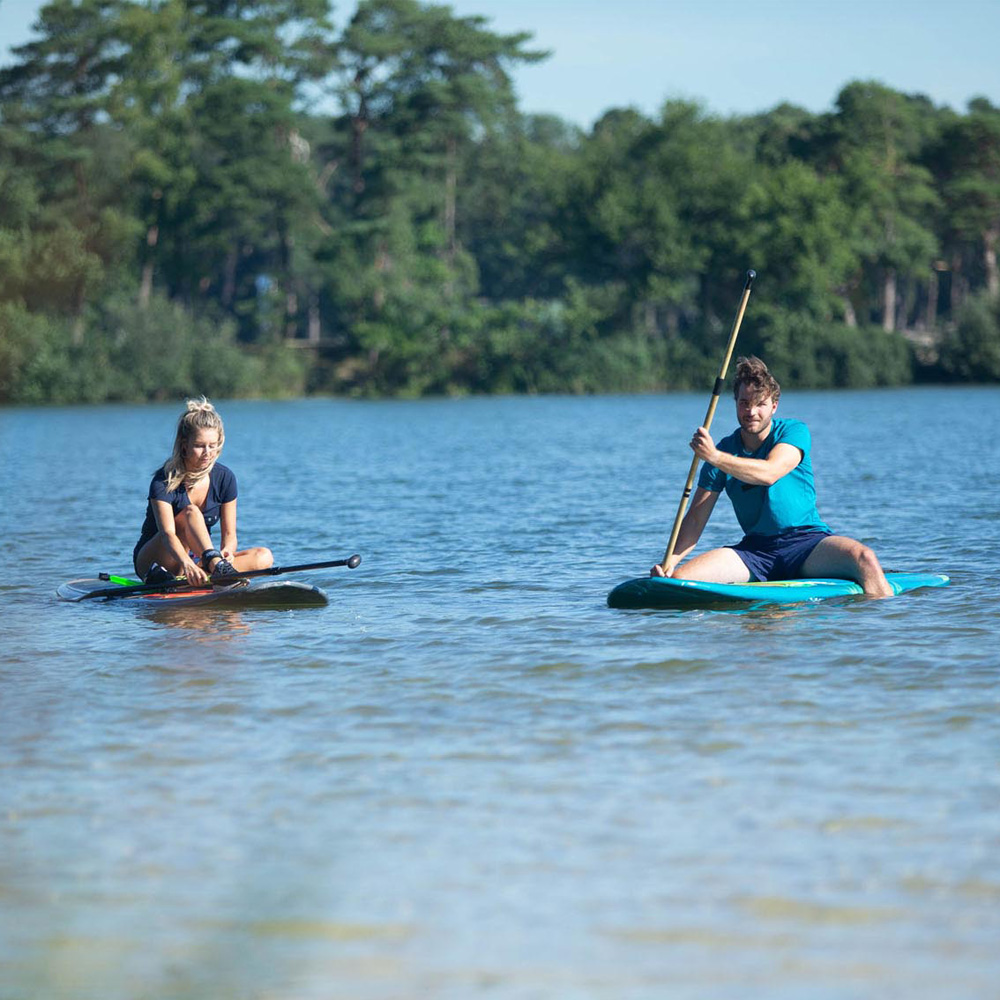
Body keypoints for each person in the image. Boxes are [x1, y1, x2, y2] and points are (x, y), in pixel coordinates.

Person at [651, 356, 893, 597]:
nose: (751, 411)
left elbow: (769, 473)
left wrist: (714, 457)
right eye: (744, 403)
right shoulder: (723, 450)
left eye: (760, 404)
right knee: (679, 580)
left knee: (865, 558)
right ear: (735, 403)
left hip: (807, 544)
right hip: (755, 552)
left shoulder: (793, 431)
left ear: (774, 406)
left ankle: (885, 626)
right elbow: (695, 520)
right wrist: (669, 563)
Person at [133, 397, 273, 586]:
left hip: (199, 559)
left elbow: (230, 535)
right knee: (190, 512)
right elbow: (167, 535)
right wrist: (187, 563)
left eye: (212, 445)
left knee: (264, 557)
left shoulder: (225, 478)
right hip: (156, 558)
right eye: (199, 446)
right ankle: (212, 569)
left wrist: (227, 553)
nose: (207, 452)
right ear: (184, 446)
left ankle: (213, 569)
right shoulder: (163, 480)